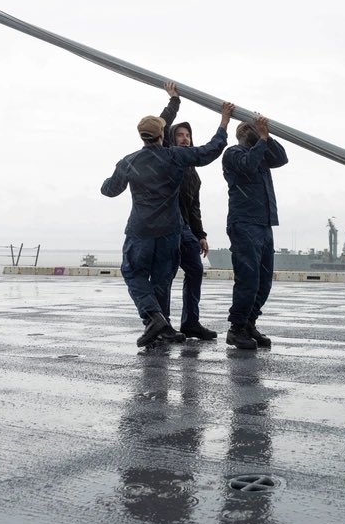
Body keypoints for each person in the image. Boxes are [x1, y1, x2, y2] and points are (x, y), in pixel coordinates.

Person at [101, 101, 234, 350]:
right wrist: (224, 124)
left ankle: (154, 318)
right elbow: (209, 151)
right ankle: (160, 325)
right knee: (162, 279)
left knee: (133, 273)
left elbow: (109, 190)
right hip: (169, 231)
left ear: (142, 136)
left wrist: (111, 178)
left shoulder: (129, 161)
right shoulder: (175, 156)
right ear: (163, 135)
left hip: (140, 230)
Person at [158, 82, 219, 340]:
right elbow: (159, 125)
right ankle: (162, 326)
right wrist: (174, 101)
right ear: (172, 139)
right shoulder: (164, 157)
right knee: (165, 275)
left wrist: (201, 233)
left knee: (195, 270)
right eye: (180, 135)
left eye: (187, 136)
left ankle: (190, 322)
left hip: (185, 229)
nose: (184, 139)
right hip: (166, 227)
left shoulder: (193, 172)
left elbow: (194, 205)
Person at [222, 114, 289, 350]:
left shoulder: (261, 155)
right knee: (248, 279)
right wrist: (260, 139)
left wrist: (266, 136)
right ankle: (236, 328)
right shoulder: (233, 154)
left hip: (264, 223)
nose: (252, 130)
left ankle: (250, 323)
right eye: (247, 128)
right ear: (240, 134)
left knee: (263, 281)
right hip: (244, 223)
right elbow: (247, 166)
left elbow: (282, 158)